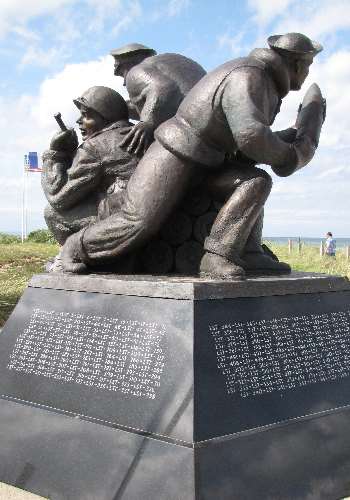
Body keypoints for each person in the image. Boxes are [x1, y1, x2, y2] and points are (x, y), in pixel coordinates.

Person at [60, 33, 325, 279]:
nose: (307, 73)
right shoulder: (249, 76)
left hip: (209, 162)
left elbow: (248, 141)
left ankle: (233, 254)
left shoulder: (265, 82)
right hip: (175, 152)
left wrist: (293, 135)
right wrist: (290, 157)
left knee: (254, 181)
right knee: (138, 221)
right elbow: (252, 137)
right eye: (308, 65)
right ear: (297, 63)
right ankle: (77, 246)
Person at [42, 86, 138, 247]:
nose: (79, 121)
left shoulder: (95, 147)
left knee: (51, 213)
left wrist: (56, 154)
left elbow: (58, 198)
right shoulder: (137, 133)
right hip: (145, 213)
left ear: (105, 118)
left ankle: (78, 257)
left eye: (86, 115)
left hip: (121, 219)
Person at [110, 43, 206, 155]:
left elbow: (163, 88)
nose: (124, 83)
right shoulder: (172, 62)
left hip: (192, 130)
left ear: (126, 64)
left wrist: (147, 122)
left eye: (121, 73)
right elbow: (159, 102)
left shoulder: (135, 71)